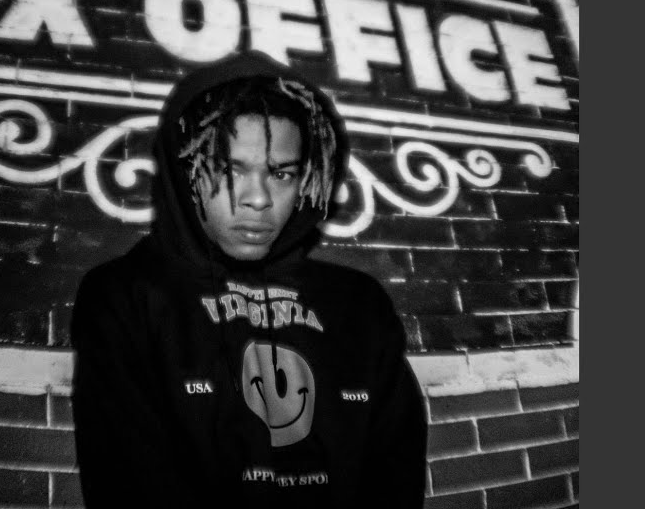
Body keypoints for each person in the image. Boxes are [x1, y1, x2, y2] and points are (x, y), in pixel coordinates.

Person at [71, 50, 427, 509]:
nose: (258, 198)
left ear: (307, 178)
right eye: (229, 168)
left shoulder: (359, 303)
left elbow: (395, 473)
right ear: (185, 171)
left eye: (281, 173)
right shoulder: (124, 295)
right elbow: (129, 483)